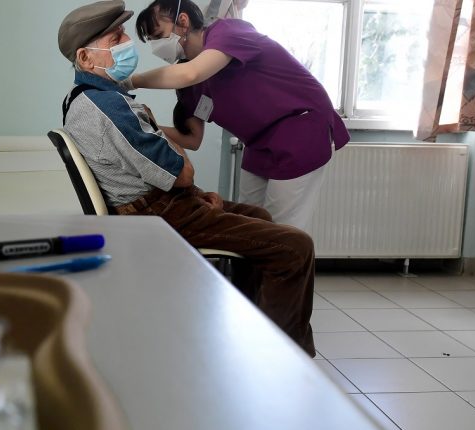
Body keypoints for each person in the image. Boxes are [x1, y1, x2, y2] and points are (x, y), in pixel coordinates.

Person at [57, 0, 316, 356]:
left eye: (124, 35)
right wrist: (189, 186)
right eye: (116, 39)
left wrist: (184, 177)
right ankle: (284, 356)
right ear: (86, 59)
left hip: (159, 203)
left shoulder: (91, 98)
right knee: (295, 247)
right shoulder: (108, 105)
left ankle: (253, 326)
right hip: (159, 212)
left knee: (260, 216)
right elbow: (181, 171)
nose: (128, 44)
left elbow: (181, 137)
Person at [127, 0, 350, 233]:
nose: (156, 46)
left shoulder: (228, 32)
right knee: (248, 220)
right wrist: (145, 124)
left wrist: (131, 81)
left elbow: (191, 73)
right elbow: (192, 139)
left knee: (281, 229)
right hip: (258, 142)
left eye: (158, 36)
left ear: (183, 22)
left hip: (300, 127)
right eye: (151, 41)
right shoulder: (189, 85)